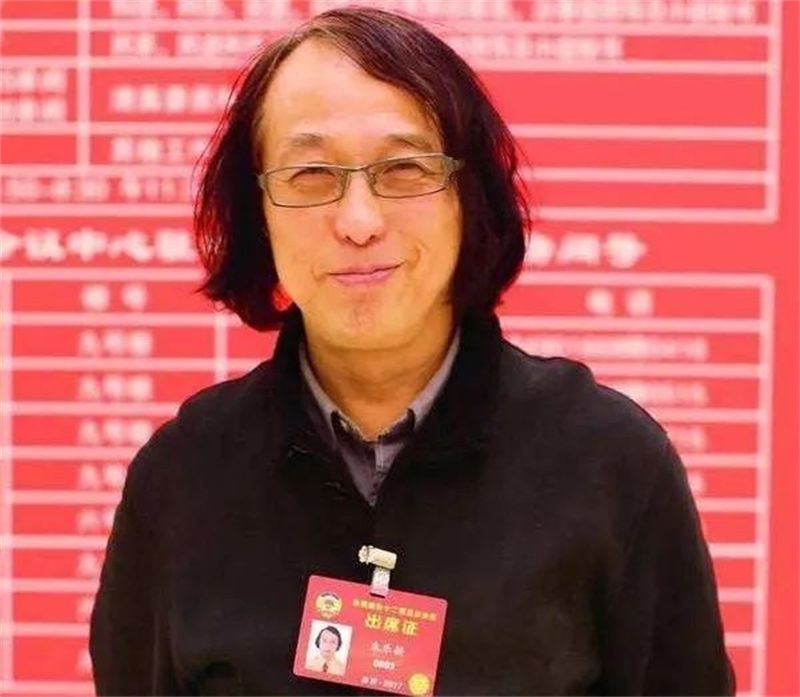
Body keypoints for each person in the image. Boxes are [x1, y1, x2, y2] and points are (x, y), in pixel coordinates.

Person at [90, 6, 735, 695]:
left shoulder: (612, 463)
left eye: (404, 168)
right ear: (259, 213)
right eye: (310, 175)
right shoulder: (183, 477)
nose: (359, 221)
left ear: (469, 198)